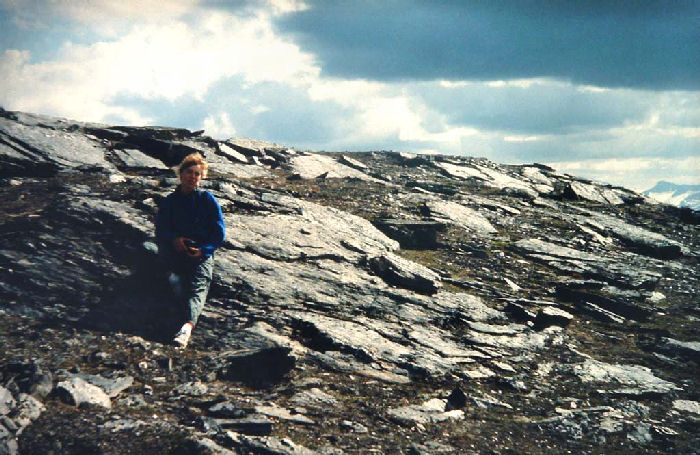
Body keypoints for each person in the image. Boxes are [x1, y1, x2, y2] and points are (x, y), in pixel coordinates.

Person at [155, 153, 225, 348]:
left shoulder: (207, 200)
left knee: (198, 287)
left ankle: (186, 327)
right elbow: (161, 229)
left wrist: (204, 250)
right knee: (168, 281)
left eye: (197, 174)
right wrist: (174, 239)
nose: (192, 177)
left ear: (201, 177)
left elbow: (219, 233)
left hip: (199, 252)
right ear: (181, 174)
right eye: (189, 172)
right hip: (174, 250)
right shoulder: (170, 201)